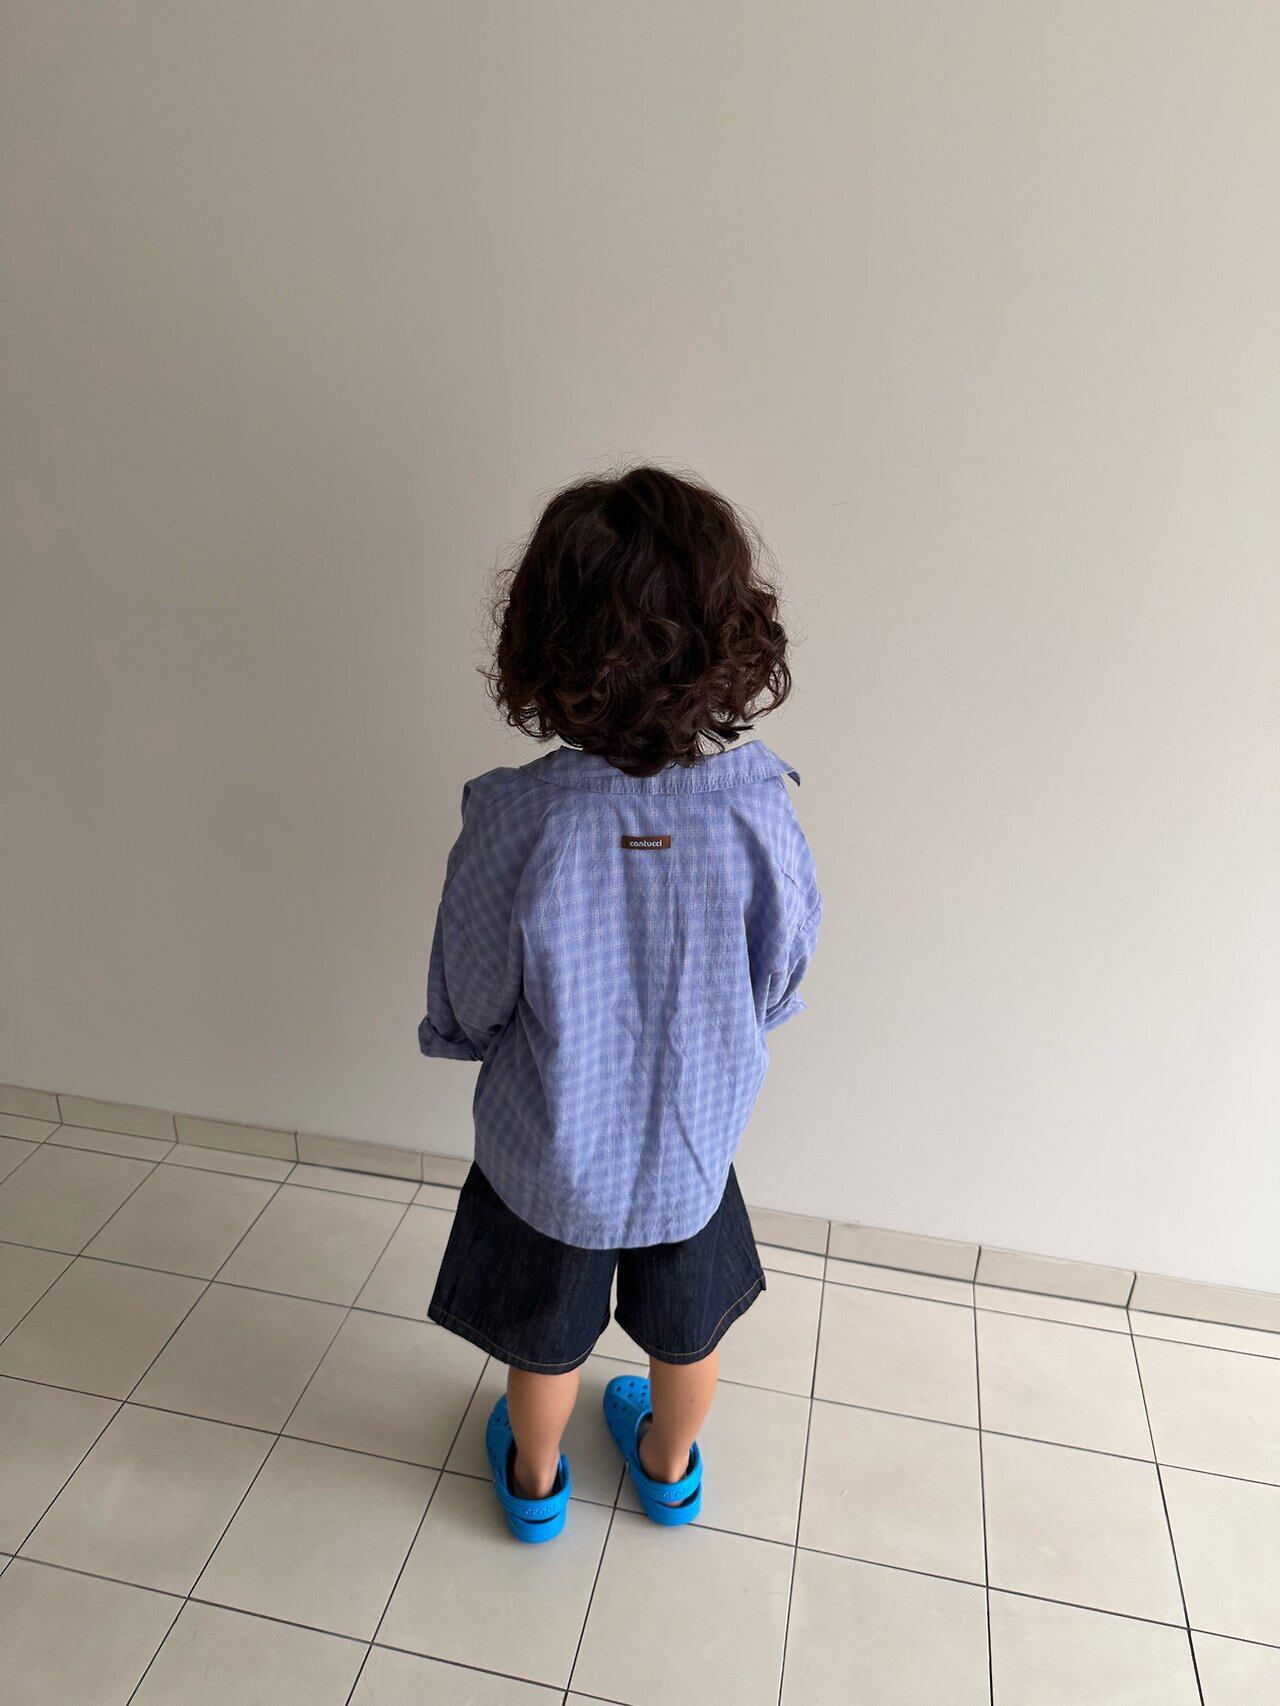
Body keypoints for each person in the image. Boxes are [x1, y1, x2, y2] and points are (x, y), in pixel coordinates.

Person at [419, 464, 822, 1542]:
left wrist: (475, 1035)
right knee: (688, 1335)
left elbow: (474, 986)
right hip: (691, 1145)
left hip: (551, 1149)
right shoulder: (756, 809)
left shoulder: (519, 820)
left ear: (545, 641)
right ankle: (667, 1467)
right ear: (728, 635)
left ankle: (535, 1479)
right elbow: (781, 972)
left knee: (544, 1341)